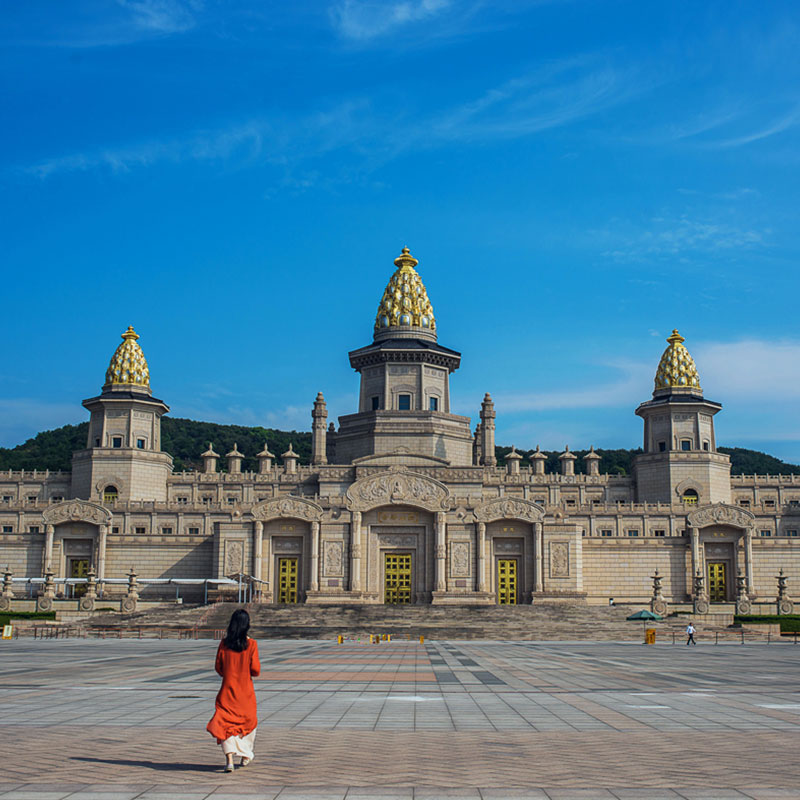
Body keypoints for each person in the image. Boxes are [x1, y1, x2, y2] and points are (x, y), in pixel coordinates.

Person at [207, 609, 261, 772]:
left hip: (227, 692)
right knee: (248, 723)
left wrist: (229, 674)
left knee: (226, 724)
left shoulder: (224, 644)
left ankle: (229, 759)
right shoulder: (251, 644)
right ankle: (245, 754)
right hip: (245, 694)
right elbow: (256, 670)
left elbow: (218, 667)